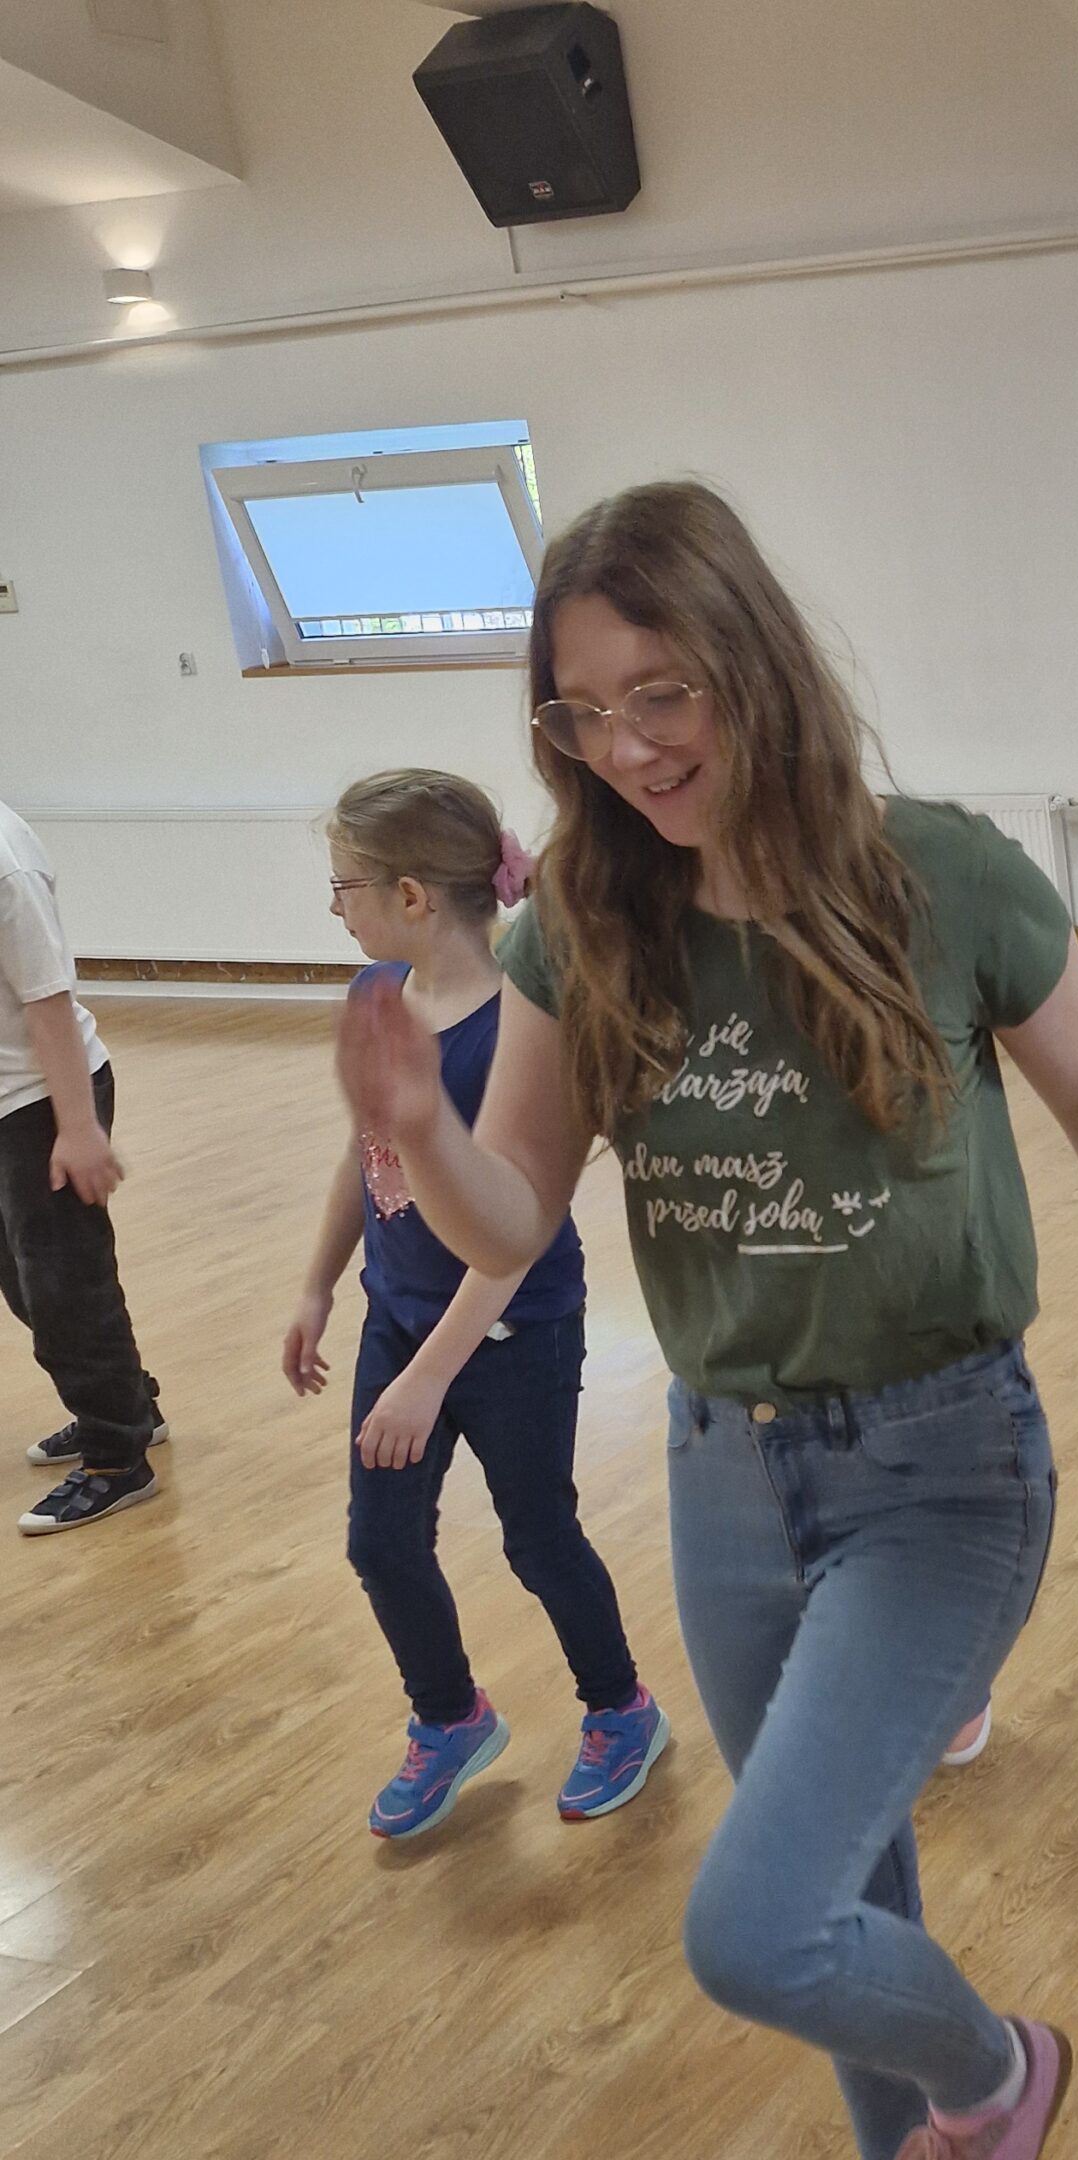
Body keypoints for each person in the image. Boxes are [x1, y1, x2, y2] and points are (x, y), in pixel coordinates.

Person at [333, 481, 1078, 2160]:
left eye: (663, 692)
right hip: (724, 1475)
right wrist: (424, 1135)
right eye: (583, 714)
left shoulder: (942, 875)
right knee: (847, 1888)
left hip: (941, 1471)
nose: (631, 747)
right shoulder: (581, 929)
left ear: (753, 659)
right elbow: (512, 1214)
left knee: (754, 1923)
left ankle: (996, 2080)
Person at [287, 770, 664, 1841]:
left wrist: (427, 1376)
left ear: (411, 895)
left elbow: (519, 1230)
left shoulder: (515, 1029)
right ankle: (449, 1717)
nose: (333, 907)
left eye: (344, 886)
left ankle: (621, 1709)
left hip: (512, 1333)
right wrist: (318, 1283)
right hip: (399, 1319)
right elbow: (365, 1150)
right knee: (380, 1543)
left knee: (538, 1538)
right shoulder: (376, 999)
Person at [0, 795, 165, 1536]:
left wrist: (76, 1127)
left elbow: (48, 999)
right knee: (24, 1279)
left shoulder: (6, 864)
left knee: (64, 1283)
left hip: (43, 1099)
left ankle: (116, 1459)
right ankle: (129, 1403)